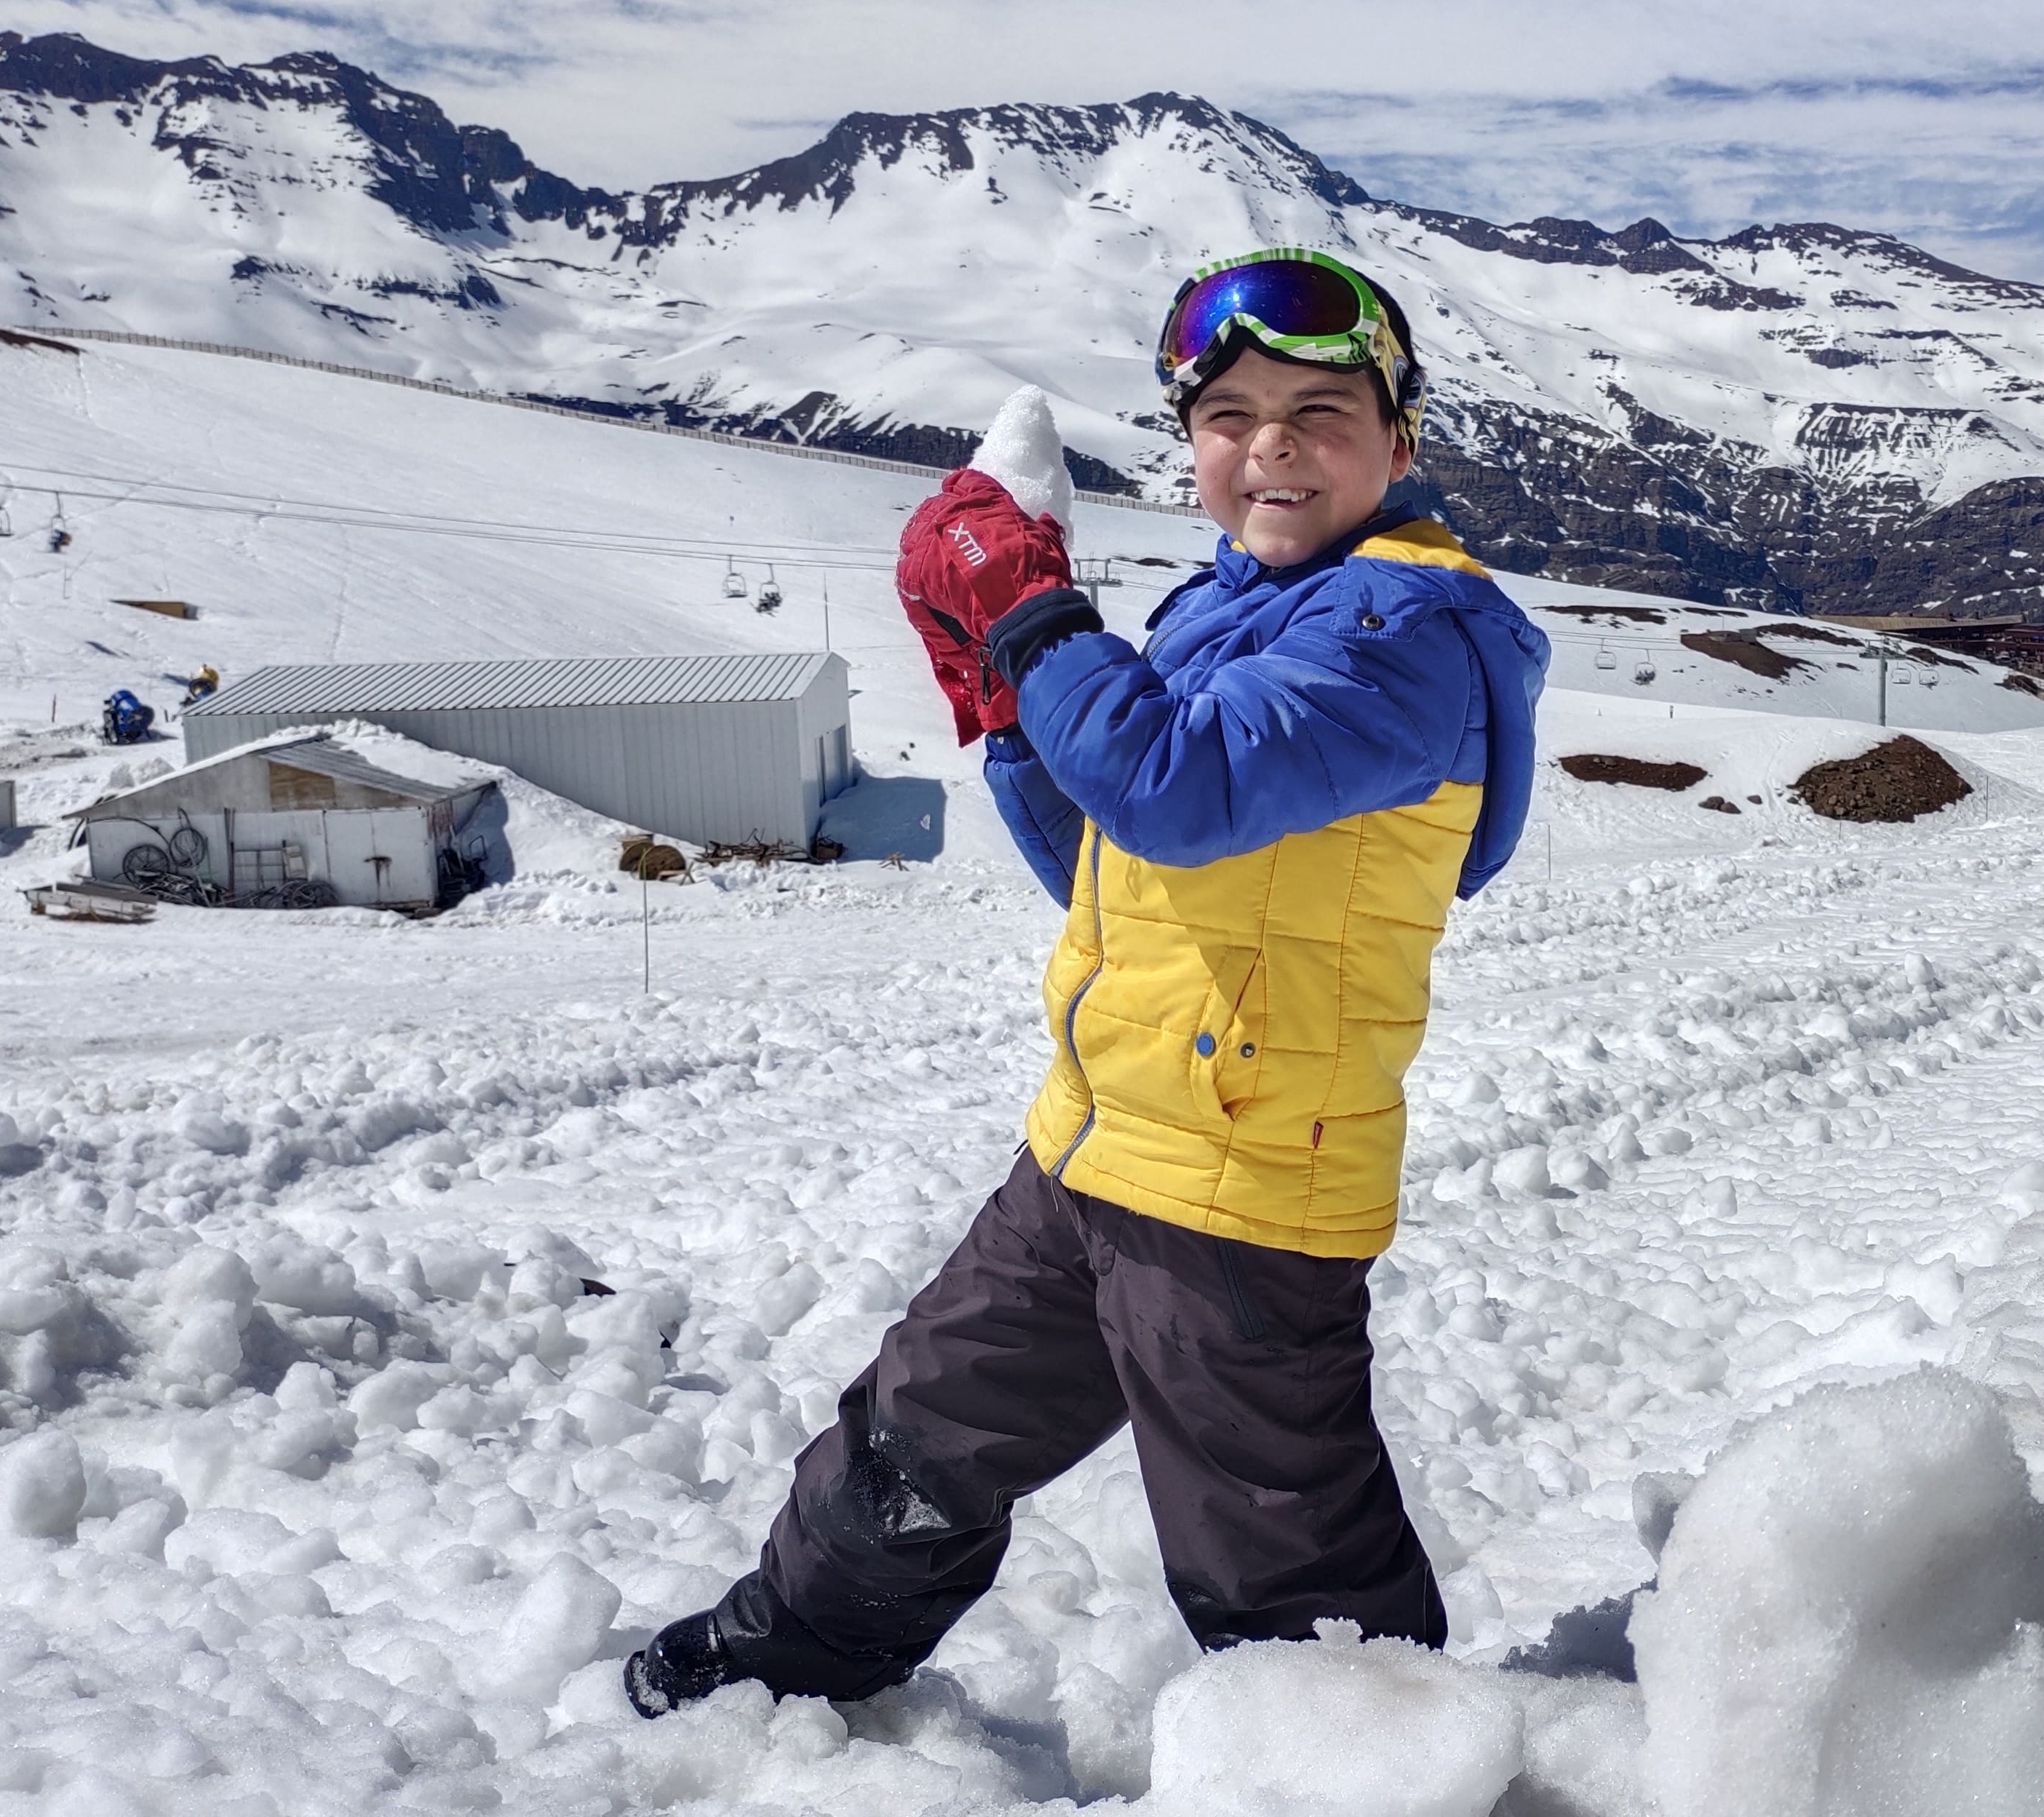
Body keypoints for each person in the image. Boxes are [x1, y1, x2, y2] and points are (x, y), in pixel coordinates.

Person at [624, 248, 1550, 1714]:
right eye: (1230, 412)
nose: (1273, 446)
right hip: (1093, 1147)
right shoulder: (1224, 606)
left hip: (1247, 1190)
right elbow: (1114, 859)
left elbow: (1171, 786)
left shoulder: (1408, 632)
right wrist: (1006, 703)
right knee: (912, 1438)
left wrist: (1034, 609)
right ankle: (783, 1668)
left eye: (1322, 408)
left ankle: (1393, 1775)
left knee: (1285, 1575)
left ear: (1402, 431)